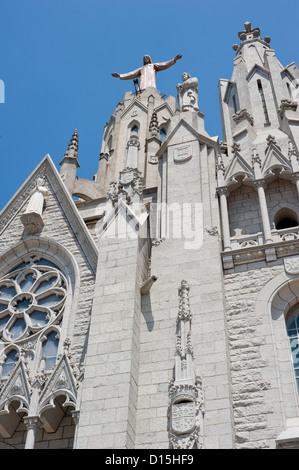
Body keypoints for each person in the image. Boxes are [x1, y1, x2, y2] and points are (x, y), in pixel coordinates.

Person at [112, 54, 182, 91]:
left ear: (149, 59)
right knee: (143, 86)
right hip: (143, 82)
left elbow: (164, 64)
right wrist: (120, 75)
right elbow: (132, 74)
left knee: (150, 87)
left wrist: (174, 59)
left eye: (147, 58)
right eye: (144, 58)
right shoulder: (141, 68)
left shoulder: (153, 66)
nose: (146, 59)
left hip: (151, 81)